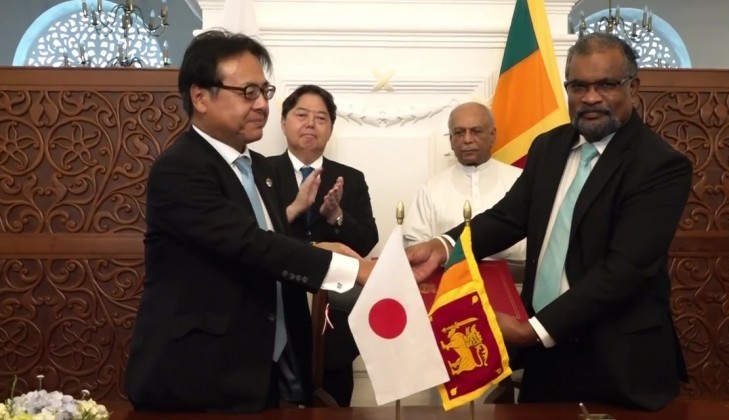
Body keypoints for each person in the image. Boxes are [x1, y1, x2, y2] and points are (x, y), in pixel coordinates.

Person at [407, 33, 691, 411]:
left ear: (632, 87)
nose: (591, 97)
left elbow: (625, 271)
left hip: (617, 360)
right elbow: (508, 218)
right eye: (579, 86)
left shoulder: (659, 165)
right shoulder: (549, 146)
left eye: (606, 85)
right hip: (545, 355)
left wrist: (533, 330)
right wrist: (443, 246)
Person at [124, 30, 373, 413]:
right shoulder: (181, 168)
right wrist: (354, 269)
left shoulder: (258, 168)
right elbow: (249, 245)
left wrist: (317, 247)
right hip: (198, 376)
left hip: (264, 371)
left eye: (264, 91)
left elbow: (267, 241)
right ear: (200, 96)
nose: (261, 105)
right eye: (247, 92)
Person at [270, 84, 378, 406]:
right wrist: (296, 212)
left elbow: (367, 241)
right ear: (284, 122)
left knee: (334, 399)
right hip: (277, 306)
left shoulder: (350, 178)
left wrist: (336, 216)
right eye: (301, 115)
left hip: (334, 314)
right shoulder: (261, 171)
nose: (310, 124)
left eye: (320, 118)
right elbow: (252, 236)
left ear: (330, 128)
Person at [402, 102, 525, 263]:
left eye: (476, 131)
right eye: (459, 133)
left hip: (514, 276)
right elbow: (416, 246)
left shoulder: (520, 180)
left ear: (492, 135)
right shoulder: (432, 188)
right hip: (449, 277)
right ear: (451, 140)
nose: (467, 140)